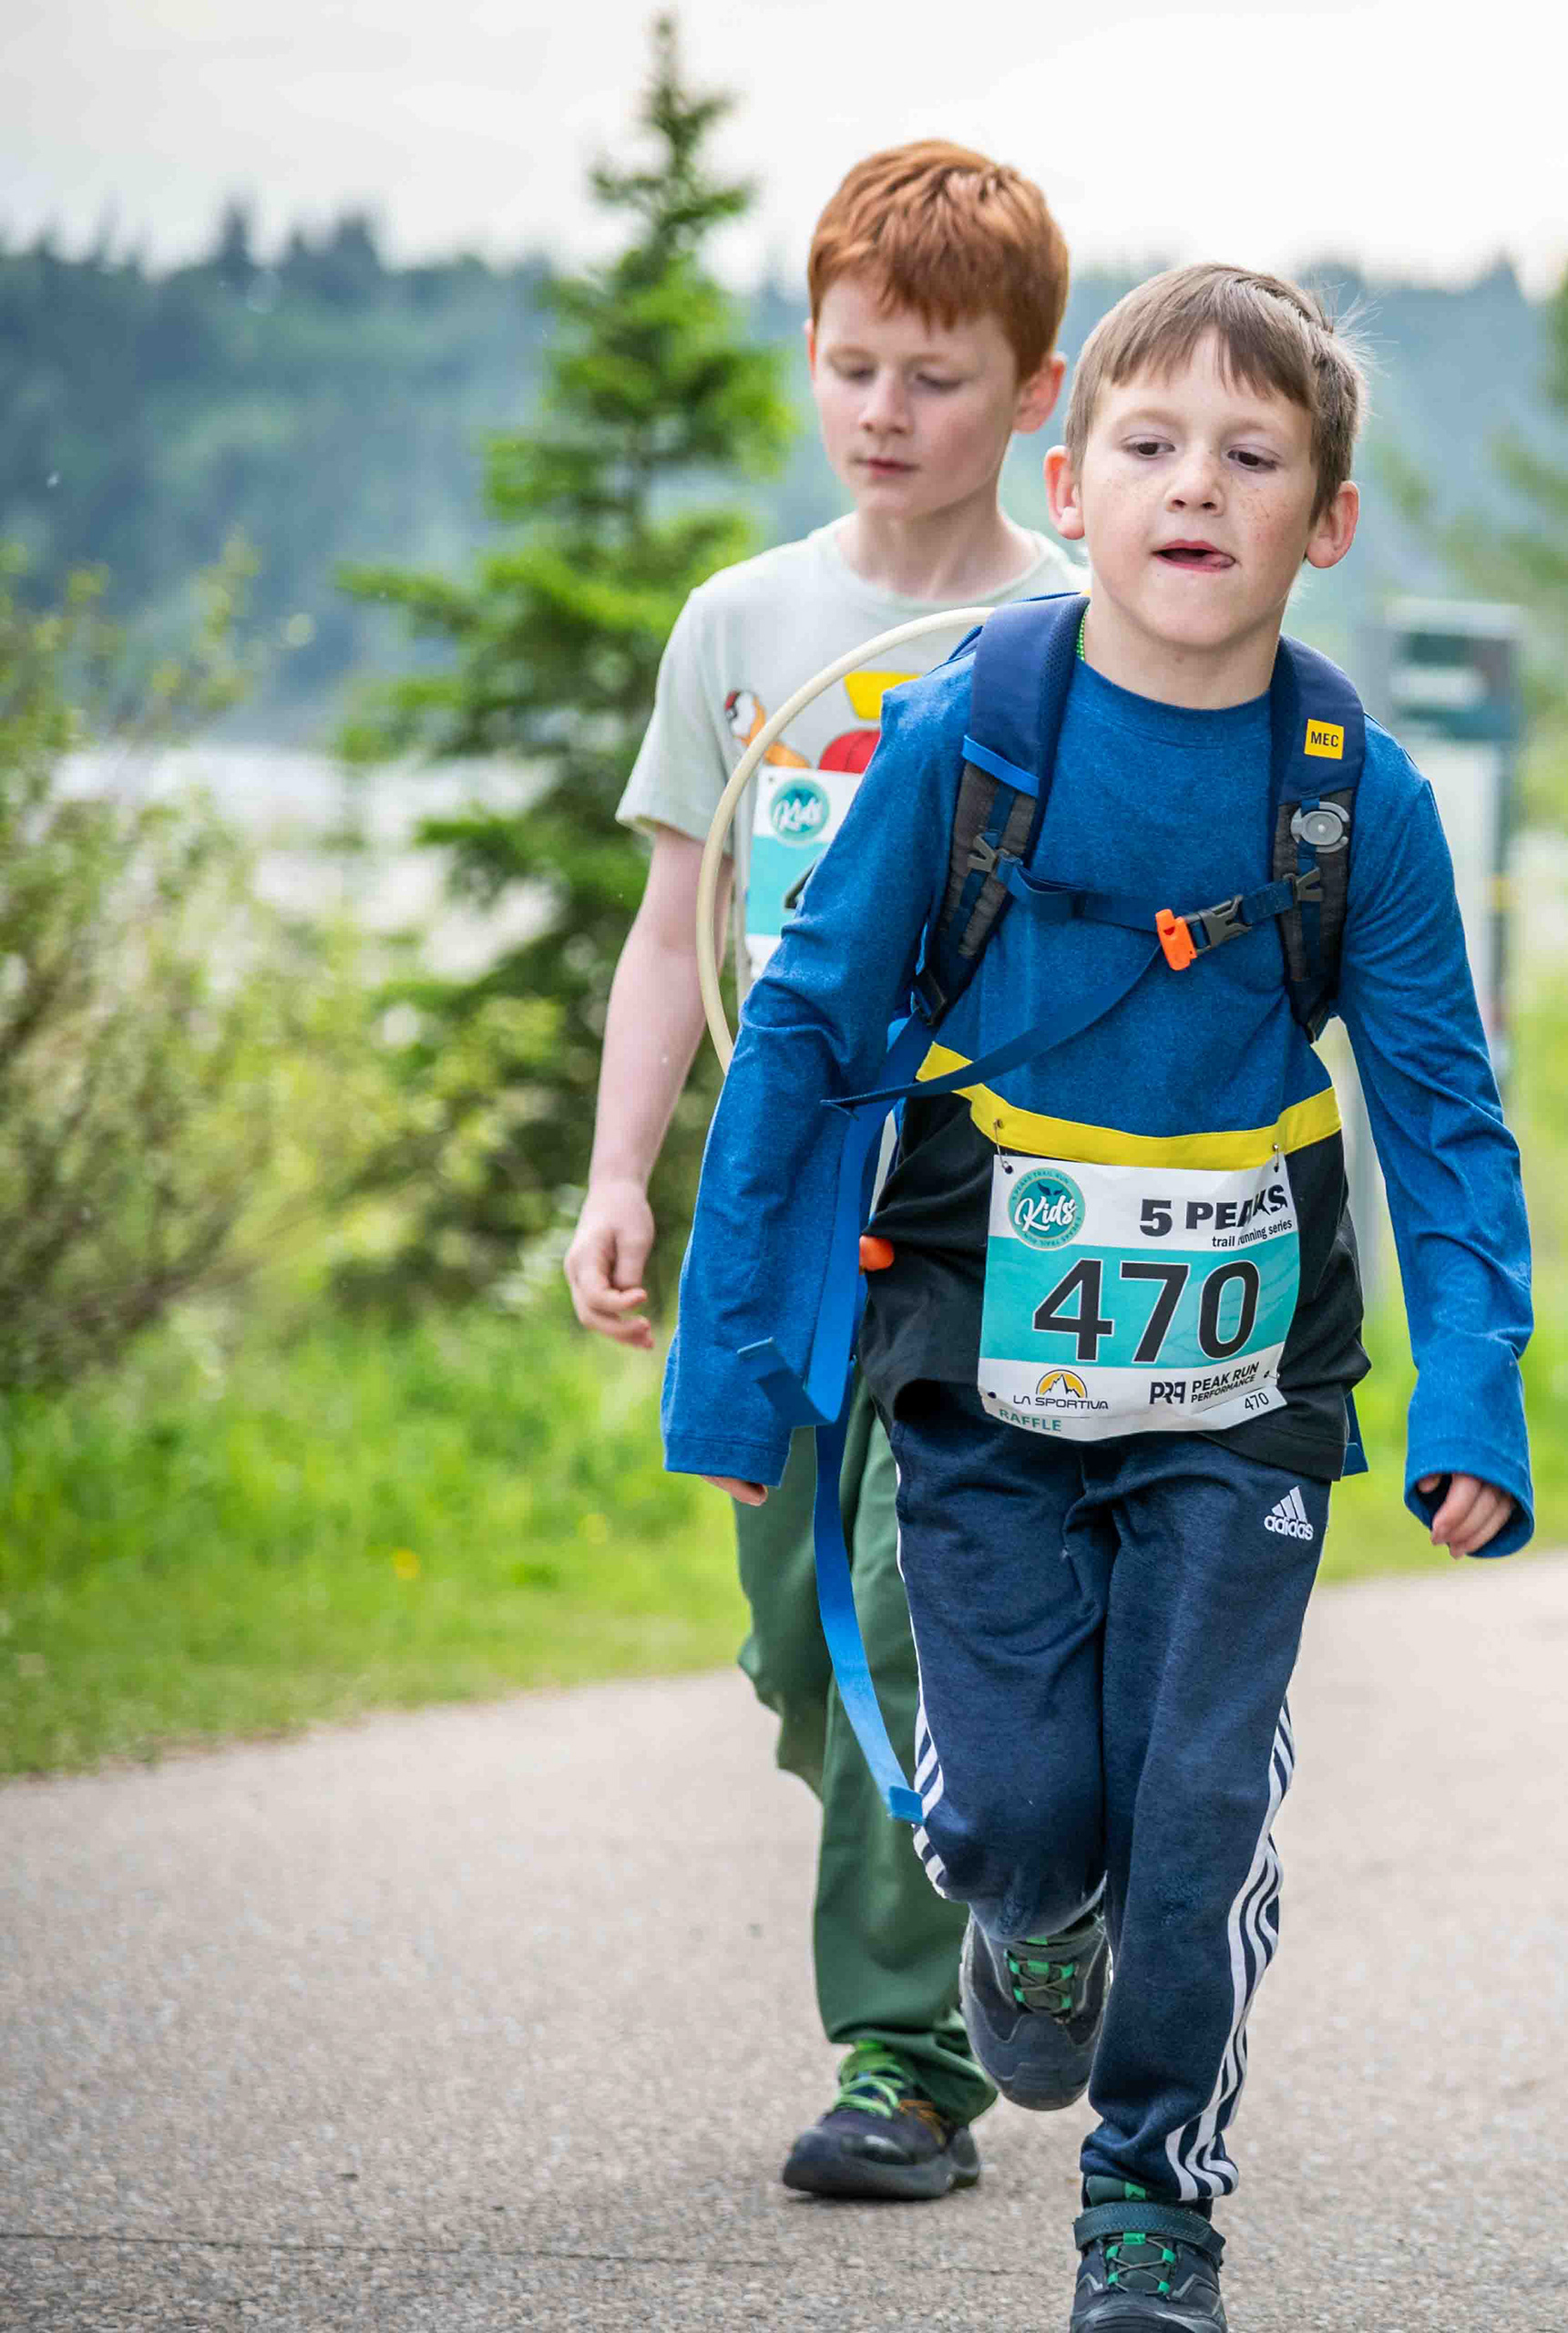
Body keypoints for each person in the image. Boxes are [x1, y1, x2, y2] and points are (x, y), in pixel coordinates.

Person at [665, 263, 1532, 2333]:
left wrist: (1472, 1391)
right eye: (1148, 445)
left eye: (1252, 454)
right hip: (979, 1360)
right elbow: (799, 1036)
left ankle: (1153, 2203)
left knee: (1198, 1807)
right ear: (1072, 485)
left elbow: (1443, 1118)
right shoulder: (967, 739)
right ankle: (1026, 1910)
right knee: (1032, 1812)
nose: (1194, 486)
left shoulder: (1356, 797)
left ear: (1327, 518)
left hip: (1248, 1387)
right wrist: (739, 1364)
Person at [564, 140, 1078, 2204]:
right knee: (799, 1642)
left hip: (987, 1196)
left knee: (908, 1602)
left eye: (936, 377)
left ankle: (903, 2055)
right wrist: (622, 1175)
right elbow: (672, 929)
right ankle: (1008, 1852)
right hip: (783, 1191)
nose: (885, 410)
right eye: (853, 365)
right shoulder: (744, 621)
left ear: (1032, 393)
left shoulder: (1074, 629)